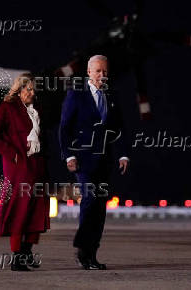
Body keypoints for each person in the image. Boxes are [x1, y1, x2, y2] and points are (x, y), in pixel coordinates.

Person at [59, 55, 129, 270]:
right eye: (98, 71)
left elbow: (119, 129)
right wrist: (69, 155)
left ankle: (92, 255)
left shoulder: (112, 96)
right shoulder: (76, 94)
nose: (102, 75)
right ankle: (82, 250)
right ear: (88, 72)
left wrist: (123, 155)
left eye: (105, 71)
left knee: (100, 208)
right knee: (89, 201)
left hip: (105, 161)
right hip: (83, 161)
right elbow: (64, 128)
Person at [0, 73, 50, 271]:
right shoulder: (8, 108)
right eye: (28, 89)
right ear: (19, 89)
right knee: (19, 212)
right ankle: (17, 257)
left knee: (37, 211)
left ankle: (26, 251)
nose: (32, 93)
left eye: (34, 89)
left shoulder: (37, 109)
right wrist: (12, 154)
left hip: (37, 166)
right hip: (18, 168)